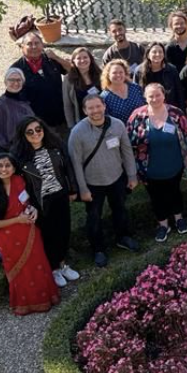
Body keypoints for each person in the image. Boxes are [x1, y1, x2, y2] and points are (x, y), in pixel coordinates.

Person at [0, 154, 59, 315]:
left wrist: (33, 209)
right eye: (0, 166)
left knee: (38, 264)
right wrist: (17, 220)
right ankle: (26, 303)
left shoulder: (19, 181)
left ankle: (45, 298)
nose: (4, 169)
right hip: (8, 238)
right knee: (23, 271)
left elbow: (25, 202)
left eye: (7, 165)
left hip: (29, 230)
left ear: (14, 168)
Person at [67, 95, 139, 268]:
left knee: (120, 209)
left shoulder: (117, 125)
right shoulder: (77, 133)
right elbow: (75, 164)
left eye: (98, 106)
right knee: (94, 217)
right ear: (84, 110)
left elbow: (127, 151)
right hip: (92, 183)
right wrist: (83, 189)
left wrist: (131, 175)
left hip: (116, 177)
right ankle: (98, 249)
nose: (95, 111)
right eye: (90, 108)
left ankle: (123, 237)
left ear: (104, 106)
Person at [12, 117, 79, 288]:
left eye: (38, 129)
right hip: (40, 202)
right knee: (48, 235)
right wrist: (26, 205)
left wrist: (72, 189)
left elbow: (68, 168)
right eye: (30, 132)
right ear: (23, 135)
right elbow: (19, 185)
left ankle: (63, 264)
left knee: (63, 231)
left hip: (60, 195)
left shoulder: (55, 146)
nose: (35, 134)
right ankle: (54, 268)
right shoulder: (20, 158)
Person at [126, 82, 187, 241]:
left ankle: (179, 219)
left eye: (158, 95)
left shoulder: (175, 113)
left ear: (164, 95)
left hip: (174, 164)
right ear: (145, 97)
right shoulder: (137, 115)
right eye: (151, 96)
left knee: (175, 192)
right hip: (149, 168)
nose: (155, 98)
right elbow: (128, 142)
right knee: (156, 197)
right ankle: (163, 225)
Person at [11, 31, 70, 130]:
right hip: (39, 124)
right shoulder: (16, 70)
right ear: (22, 47)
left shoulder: (51, 59)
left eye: (37, 43)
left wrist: (57, 57)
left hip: (62, 116)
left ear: (42, 45)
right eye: (29, 44)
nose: (34, 47)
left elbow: (71, 70)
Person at [0, 68, 36, 152]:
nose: (15, 83)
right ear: (5, 82)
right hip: (15, 150)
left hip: (32, 145)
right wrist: (8, 146)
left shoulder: (25, 100)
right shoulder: (0, 105)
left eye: (19, 80)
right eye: (11, 80)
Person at [62, 47, 103, 129]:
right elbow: (67, 105)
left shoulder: (100, 75)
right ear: (73, 61)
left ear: (90, 59)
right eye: (78, 58)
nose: (82, 60)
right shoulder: (68, 79)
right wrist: (71, 126)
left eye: (85, 57)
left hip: (102, 118)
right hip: (82, 122)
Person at [135, 42, 184, 109]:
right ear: (148, 55)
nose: (157, 54)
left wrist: (181, 111)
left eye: (160, 52)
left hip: (169, 109)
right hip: (148, 109)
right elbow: (136, 94)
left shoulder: (171, 70)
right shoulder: (139, 71)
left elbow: (179, 93)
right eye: (154, 52)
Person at [99, 59, 145, 123]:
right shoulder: (104, 97)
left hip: (142, 126)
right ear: (108, 75)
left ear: (125, 73)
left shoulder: (135, 88)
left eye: (121, 72)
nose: (118, 75)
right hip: (120, 128)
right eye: (114, 73)